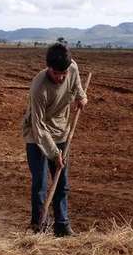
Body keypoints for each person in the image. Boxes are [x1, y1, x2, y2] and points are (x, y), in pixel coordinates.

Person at [22, 43, 88, 237]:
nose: (61, 77)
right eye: (57, 73)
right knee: (41, 184)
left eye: (64, 73)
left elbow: (77, 86)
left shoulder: (72, 67)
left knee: (62, 183)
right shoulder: (38, 88)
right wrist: (53, 154)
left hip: (61, 132)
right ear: (48, 67)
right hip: (37, 136)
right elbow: (39, 126)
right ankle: (39, 227)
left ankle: (62, 226)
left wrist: (81, 97)